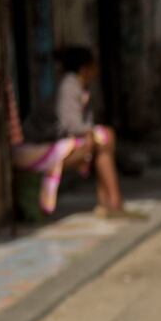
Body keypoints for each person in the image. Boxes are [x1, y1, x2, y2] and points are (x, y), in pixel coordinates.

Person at [14, 46, 141, 220]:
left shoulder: (79, 87)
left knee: (105, 138)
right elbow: (72, 125)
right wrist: (89, 134)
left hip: (52, 143)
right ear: (84, 68)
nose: (96, 71)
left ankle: (110, 202)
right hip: (34, 148)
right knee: (104, 138)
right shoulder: (69, 85)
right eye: (94, 66)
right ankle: (113, 202)